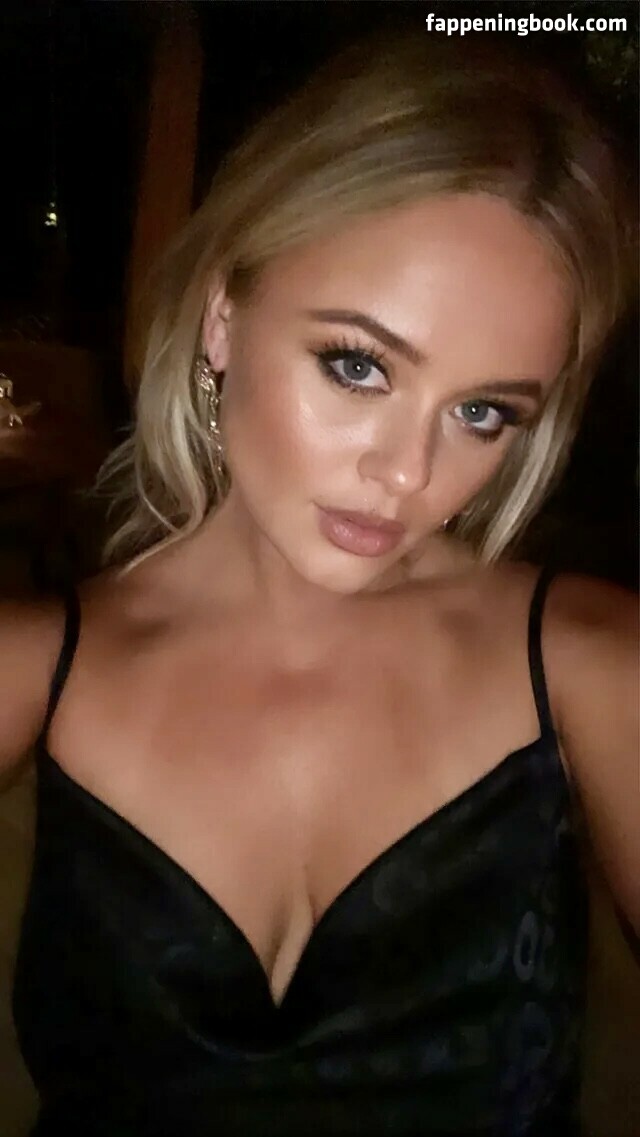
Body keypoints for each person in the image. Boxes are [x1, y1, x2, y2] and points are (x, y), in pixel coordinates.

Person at [2, 29, 637, 1137]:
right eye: (358, 366)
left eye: (482, 412)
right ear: (222, 318)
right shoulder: (33, 663)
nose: (408, 473)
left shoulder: (596, 661)